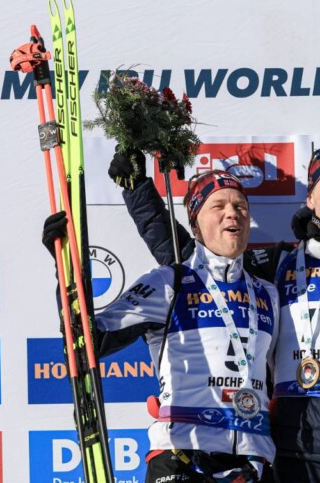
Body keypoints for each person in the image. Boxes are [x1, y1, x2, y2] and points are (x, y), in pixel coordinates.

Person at [107, 89, 320, 482]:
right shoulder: (276, 265)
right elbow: (198, 260)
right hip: (291, 453)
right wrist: (138, 191)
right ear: (310, 199)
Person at [43, 171, 279, 482]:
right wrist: (66, 273)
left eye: (240, 206)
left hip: (251, 460)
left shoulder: (267, 293)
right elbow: (88, 342)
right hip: (181, 454)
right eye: (218, 206)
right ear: (195, 225)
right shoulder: (169, 282)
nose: (232, 213)